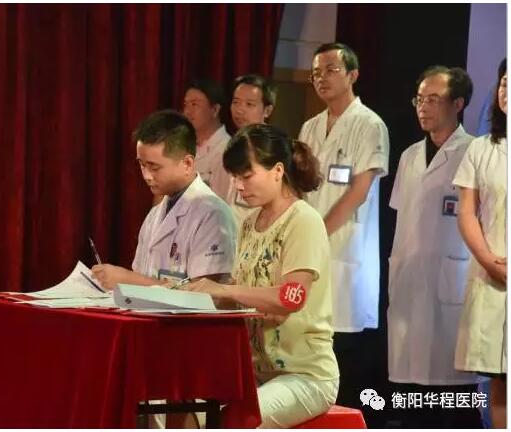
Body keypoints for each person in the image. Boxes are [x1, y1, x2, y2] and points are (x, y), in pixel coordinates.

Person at [186, 124, 339, 428]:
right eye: (235, 177)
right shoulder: (249, 222)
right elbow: (238, 292)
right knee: (185, 407)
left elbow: (290, 298)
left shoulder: (303, 220)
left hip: (304, 375)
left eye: (246, 176)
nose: (239, 186)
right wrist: (190, 295)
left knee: (239, 420)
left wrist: (224, 290)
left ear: (278, 170)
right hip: (254, 371)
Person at [387, 65, 483, 427]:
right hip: (409, 281)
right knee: (410, 392)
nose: (423, 107)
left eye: (433, 99)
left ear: (458, 104)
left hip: (453, 282)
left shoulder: (476, 152)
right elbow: (403, 218)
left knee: (453, 396)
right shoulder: (410, 155)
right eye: (419, 99)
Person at [297, 42, 389, 410]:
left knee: (344, 356)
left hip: (345, 251)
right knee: (310, 348)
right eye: (316, 73)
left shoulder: (369, 124)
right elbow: (298, 186)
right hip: (311, 250)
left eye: (331, 70)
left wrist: (315, 234)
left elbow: (359, 191)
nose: (322, 78)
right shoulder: (309, 126)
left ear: (353, 75)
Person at [91, 110, 236, 290]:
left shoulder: (212, 215)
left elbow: (206, 294)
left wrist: (127, 279)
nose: (146, 176)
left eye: (154, 168)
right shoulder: (155, 215)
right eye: (142, 165)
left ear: (187, 164)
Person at [453, 58, 507, 429]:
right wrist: (489, 260)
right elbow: (467, 212)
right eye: (504, 83)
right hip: (493, 273)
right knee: (500, 378)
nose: (506, 92)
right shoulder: (481, 148)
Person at [226, 74, 277, 226]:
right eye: (236, 102)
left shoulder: (273, 149)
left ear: (267, 111)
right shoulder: (234, 143)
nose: (240, 110)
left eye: (249, 104)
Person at [182, 78, 231, 200]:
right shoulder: (183, 145)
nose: (187, 112)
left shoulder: (227, 150)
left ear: (215, 110)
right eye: (186, 105)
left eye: (194, 104)